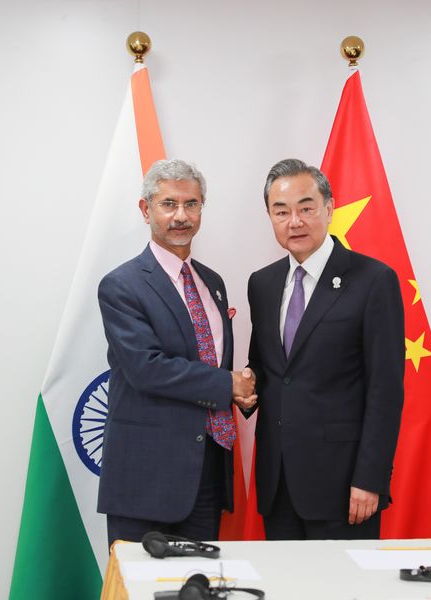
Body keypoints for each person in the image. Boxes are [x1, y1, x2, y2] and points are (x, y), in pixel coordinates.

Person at [97, 159, 256, 548]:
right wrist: (227, 384)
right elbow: (146, 368)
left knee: (198, 580)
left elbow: (212, 360)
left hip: (206, 473)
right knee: (140, 580)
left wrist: (243, 387)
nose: (181, 216)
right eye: (169, 204)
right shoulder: (122, 286)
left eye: (191, 204)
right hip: (145, 478)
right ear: (146, 209)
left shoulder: (213, 282)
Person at [245, 158, 405, 540]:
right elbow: (266, 368)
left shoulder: (374, 280)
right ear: (270, 216)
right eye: (281, 211)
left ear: (329, 208)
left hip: (344, 486)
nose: (294, 222)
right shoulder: (262, 284)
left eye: (306, 208)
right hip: (278, 484)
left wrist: (370, 478)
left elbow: (385, 389)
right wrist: (238, 387)